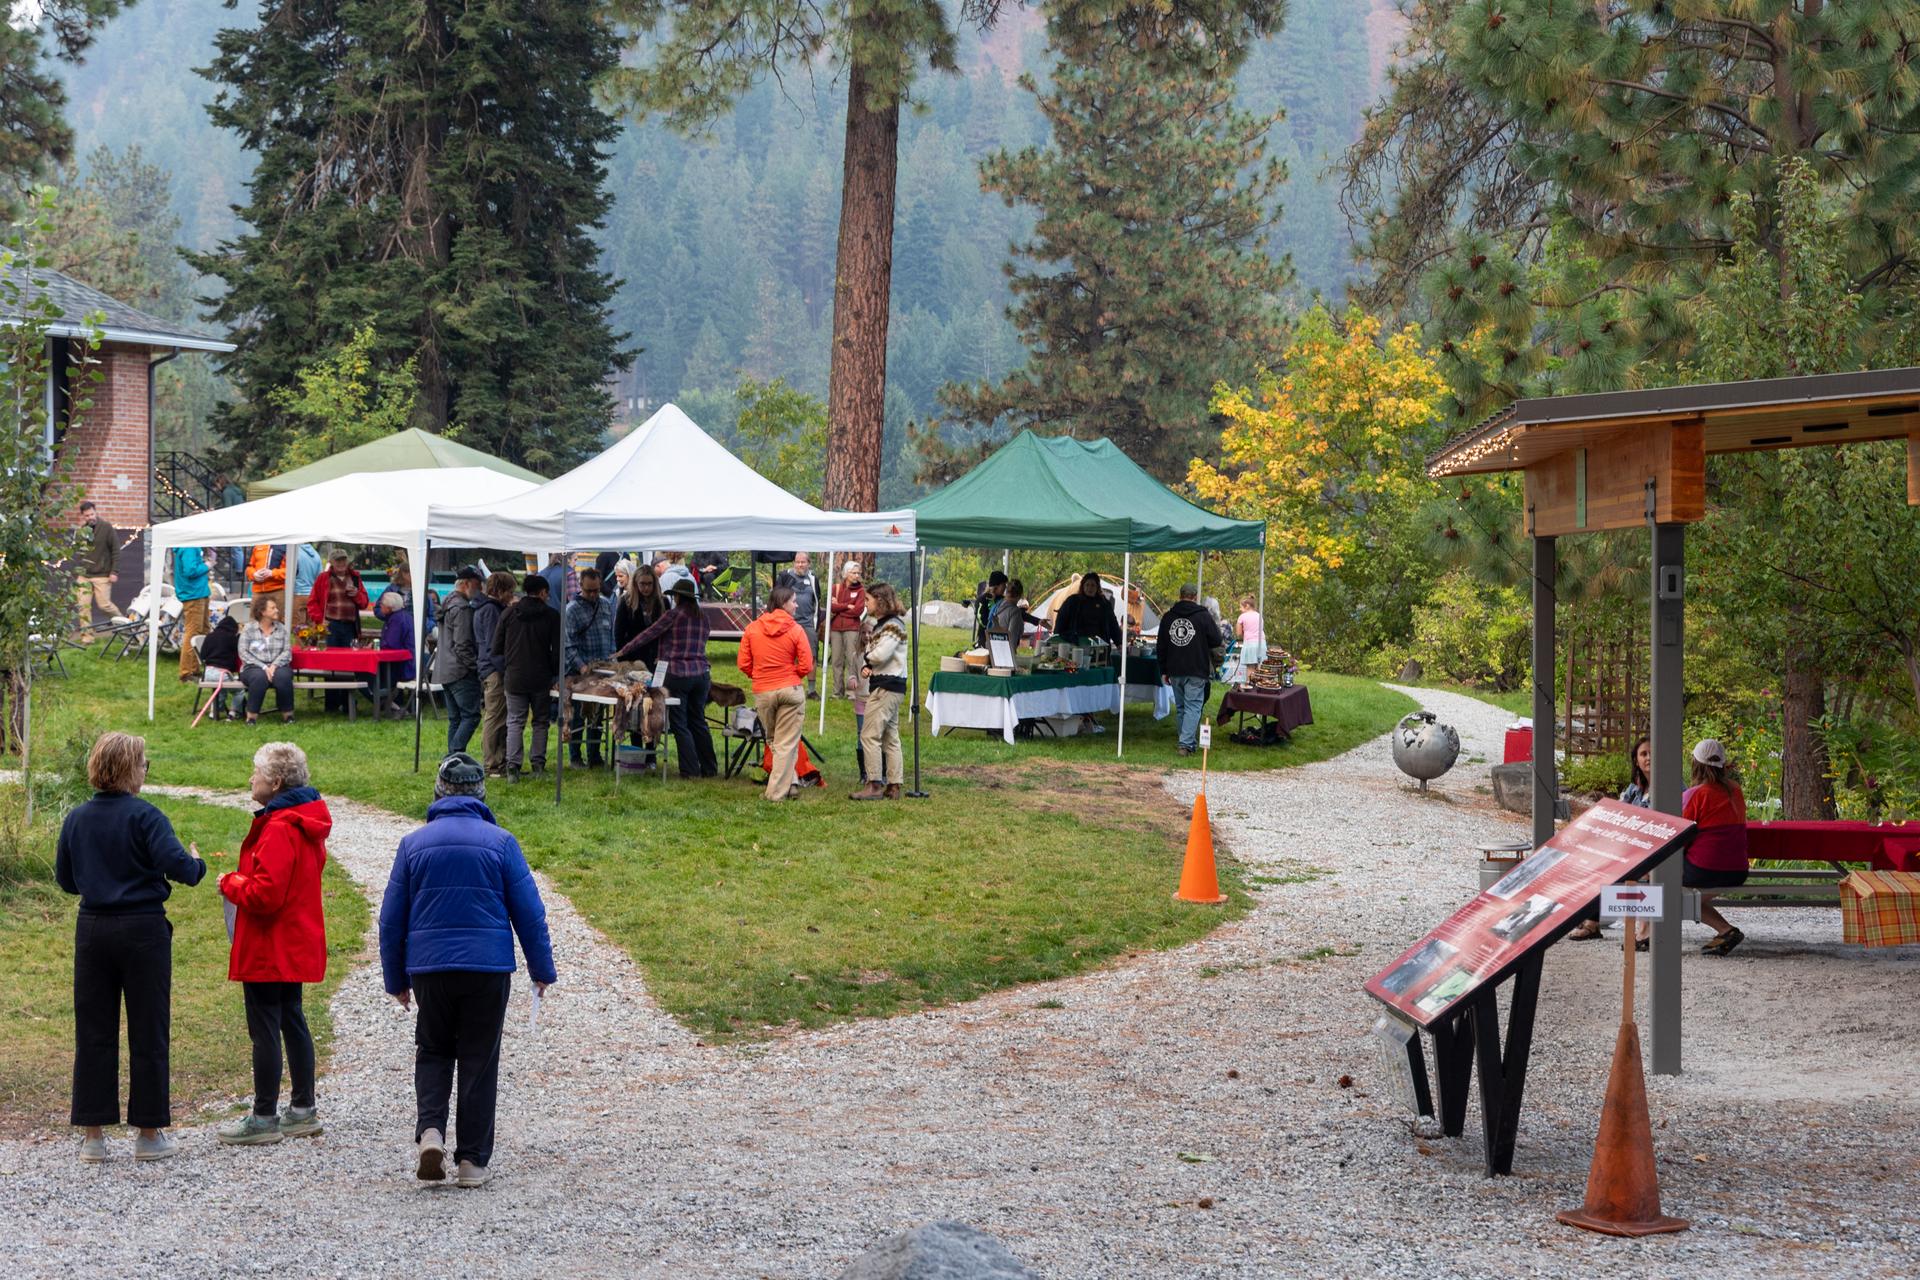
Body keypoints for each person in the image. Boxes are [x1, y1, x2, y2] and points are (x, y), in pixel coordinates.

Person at [378, 753, 556, 1187]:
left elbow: (390, 918)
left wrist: (396, 979)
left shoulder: (413, 844)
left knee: (434, 1048)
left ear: (439, 792)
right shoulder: (501, 842)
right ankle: (472, 1162)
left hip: (430, 967)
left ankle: (431, 1131)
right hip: (487, 967)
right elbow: (529, 913)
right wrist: (541, 968)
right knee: (479, 1056)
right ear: (481, 793)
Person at [57, 731, 207, 1163]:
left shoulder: (77, 818)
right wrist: (197, 861)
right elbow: (181, 868)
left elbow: (66, 881)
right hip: (143, 929)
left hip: (93, 930)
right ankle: (147, 1132)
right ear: (129, 769)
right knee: (148, 1029)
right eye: (143, 764)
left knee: (93, 1030)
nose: (145, 770)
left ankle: (93, 1136)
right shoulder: (147, 816)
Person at [216, 742, 331, 1146]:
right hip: (294, 940)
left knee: (265, 1027)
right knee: (291, 1019)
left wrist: (230, 882)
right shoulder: (303, 821)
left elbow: (266, 895)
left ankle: (264, 1116)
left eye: (257, 772)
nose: (251, 778)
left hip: (270, 945)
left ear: (276, 782)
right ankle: (302, 1109)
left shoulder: (280, 828)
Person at [614, 577, 719, 778]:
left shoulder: (673, 615)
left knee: (680, 723)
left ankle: (690, 770)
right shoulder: (703, 617)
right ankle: (710, 768)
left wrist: (622, 651)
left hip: (677, 674)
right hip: (701, 674)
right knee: (698, 720)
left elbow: (648, 635)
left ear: (677, 597)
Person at [1571, 735, 1653, 942]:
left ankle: (1595, 923)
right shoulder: (1635, 789)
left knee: (1609, 868)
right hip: (1630, 850)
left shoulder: (1673, 788)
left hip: (1652, 853)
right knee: (1591, 860)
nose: (1649, 758)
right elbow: (1617, 812)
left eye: (1653, 753)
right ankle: (1591, 921)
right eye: (1644, 754)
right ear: (1636, 760)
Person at [737, 583, 813, 800]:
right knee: (785, 743)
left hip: (764, 691)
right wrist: (793, 674)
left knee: (775, 741)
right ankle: (775, 794)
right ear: (783, 603)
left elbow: (743, 663)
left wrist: (758, 675)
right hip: (790, 689)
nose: (797, 605)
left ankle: (791, 783)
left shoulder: (753, 628)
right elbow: (807, 664)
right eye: (794, 601)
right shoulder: (796, 629)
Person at [1680, 738, 1749, 956]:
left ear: (1695, 763)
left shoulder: (1694, 795)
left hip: (1704, 871)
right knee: (1682, 897)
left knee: (1661, 878)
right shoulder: (1736, 790)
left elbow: (1680, 834)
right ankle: (1726, 930)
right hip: (1738, 871)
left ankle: (1647, 934)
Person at [495, 574, 559, 780]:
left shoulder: (508, 613)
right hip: (541, 676)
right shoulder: (552, 615)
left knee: (515, 721)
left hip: (514, 676)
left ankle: (512, 766)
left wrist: (507, 667)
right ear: (542, 593)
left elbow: (496, 648)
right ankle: (538, 764)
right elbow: (557, 651)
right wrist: (554, 673)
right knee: (540, 721)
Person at [850, 583, 907, 801]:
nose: (866, 604)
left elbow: (881, 653)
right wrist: (870, 665)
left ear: (880, 601)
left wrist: (867, 658)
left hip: (886, 687)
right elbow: (881, 656)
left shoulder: (891, 626)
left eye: (868, 600)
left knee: (869, 734)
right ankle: (893, 785)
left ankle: (874, 784)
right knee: (890, 736)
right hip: (889, 684)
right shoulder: (883, 625)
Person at [1156, 582, 1223, 756]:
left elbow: (1161, 646)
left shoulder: (1168, 617)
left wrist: (1163, 670)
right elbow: (1216, 640)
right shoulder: (1203, 616)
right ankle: (1185, 744)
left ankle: (1186, 741)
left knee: (1181, 707)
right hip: (1196, 667)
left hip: (1174, 668)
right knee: (1193, 706)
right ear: (1194, 597)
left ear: (1180, 596)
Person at [563, 567, 617, 768]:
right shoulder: (572, 610)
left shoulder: (605, 604)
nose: (593, 595)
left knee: (597, 715)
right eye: (589, 591)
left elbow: (611, 635)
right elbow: (567, 644)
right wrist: (582, 666)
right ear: (581, 586)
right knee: (578, 715)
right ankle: (575, 756)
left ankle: (595, 755)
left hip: (602, 669)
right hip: (579, 672)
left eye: (596, 590)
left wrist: (612, 658)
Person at [308, 552, 370, 715]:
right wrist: (319, 620)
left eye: (343, 560)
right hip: (331, 626)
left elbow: (364, 603)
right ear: (331, 562)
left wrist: (356, 594)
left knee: (349, 664)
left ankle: (347, 702)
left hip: (350, 626)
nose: (341, 563)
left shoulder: (355, 578)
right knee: (331, 665)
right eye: (338, 561)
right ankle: (331, 704)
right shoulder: (323, 578)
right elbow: (312, 602)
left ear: (347, 561)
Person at [434, 566, 485, 756]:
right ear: (465, 584)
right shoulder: (462, 608)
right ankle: (453, 755)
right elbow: (462, 644)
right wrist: (476, 666)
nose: (480, 588)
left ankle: (451, 761)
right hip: (460, 670)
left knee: (456, 719)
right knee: (470, 716)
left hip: (445, 669)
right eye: (477, 584)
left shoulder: (447, 602)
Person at [474, 572, 515, 777]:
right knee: (495, 717)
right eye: (509, 592)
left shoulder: (489, 608)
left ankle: (498, 761)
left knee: (499, 716)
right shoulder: (491, 611)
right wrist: (505, 670)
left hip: (491, 668)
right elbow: (494, 646)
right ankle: (491, 763)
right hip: (494, 670)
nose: (511, 596)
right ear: (499, 591)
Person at [239, 596, 296, 726]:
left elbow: (287, 651)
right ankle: (251, 717)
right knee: (259, 678)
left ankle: (288, 716)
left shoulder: (281, 628)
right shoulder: (248, 629)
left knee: (283, 677)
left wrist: (274, 665)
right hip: (253, 667)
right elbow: (243, 652)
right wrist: (264, 667)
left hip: (278, 665)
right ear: (262, 612)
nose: (277, 610)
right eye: (273, 608)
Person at [71, 500, 118, 640]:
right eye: (86, 516)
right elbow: (78, 552)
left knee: (104, 605)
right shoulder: (81, 531)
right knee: (82, 606)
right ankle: (87, 637)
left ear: (95, 512)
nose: (90, 517)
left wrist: (114, 571)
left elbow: (116, 550)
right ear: (83, 516)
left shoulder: (106, 527)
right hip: (84, 575)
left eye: (92, 514)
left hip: (102, 574)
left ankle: (124, 623)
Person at [827, 559, 867, 699]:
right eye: (853, 573)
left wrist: (840, 606)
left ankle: (852, 692)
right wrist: (846, 606)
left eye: (858, 573)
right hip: (836, 628)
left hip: (852, 628)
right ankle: (837, 692)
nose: (857, 575)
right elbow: (831, 607)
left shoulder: (861, 591)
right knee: (837, 660)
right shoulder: (836, 588)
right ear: (846, 573)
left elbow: (857, 611)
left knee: (852, 659)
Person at [614, 562, 665, 671]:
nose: (646, 588)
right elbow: (618, 634)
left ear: (654, 583)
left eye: (649, 584)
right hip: (632, 659)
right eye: (642, 584)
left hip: (657, 658)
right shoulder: (626, 602)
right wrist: (623, 660)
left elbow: (668, 632)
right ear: (636, 583)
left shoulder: (663, 602)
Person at [376, 591, 418, 721]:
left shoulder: (396, 620)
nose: (380, 606)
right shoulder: (404, 616)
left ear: (389, 608)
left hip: (403, 665)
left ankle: (389, 704)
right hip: (411, 661)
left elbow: (391, 644)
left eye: (382, 604)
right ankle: (390, 703)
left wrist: (376, 646)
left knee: (370, 673)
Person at [776, 551, 821, 670]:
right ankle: (792, 683)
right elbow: (776, 598)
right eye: (797, 562)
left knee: (812, 655)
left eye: (803, 562)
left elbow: (817, 600)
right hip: (788, 624)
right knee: (789, 655)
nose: (800, 564)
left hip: (808, 623)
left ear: (809, 563)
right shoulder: (785, 577)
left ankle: (811, 688)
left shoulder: (813, 579)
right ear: (794, 563)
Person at [173, 544, 211, 682]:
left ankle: (194, 669)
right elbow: (190, 571)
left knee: (202, 631)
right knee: (193, 633)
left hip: (199, 592)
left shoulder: (190, 546)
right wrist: (207, 566)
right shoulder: (189, 547)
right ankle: (186, 672)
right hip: (193, 594)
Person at [1054, 572, 1121, 645]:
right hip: (1076, 643)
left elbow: (1113, 624)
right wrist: (1057, 638)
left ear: (1097, 587)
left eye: (1093, 585)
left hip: (1100, 645)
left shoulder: (1104, 604)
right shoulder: (1072, 601)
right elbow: (1061, 619)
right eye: (1087, 585)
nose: (1090, 588)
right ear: (1083, 586)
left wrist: (1119, 642)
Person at [200, 608, 243, 720]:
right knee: (239, 691)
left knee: (220, 689)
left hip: (207, 673)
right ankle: (234, 713)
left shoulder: (209, 636)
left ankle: (214, 712)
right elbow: (236, 658)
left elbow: (202, 655)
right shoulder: (233, 639)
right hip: (222, 673)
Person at [990, 578, 1044, 653]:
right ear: (1020, 595)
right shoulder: (1015, 612)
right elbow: (1012, 639)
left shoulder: (998, 605)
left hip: (992, 650)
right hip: (1005, 654)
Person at [973, 571, 1007, 649]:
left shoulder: (1004, 601)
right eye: (1003, 584)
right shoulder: (982, 600)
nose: (1005, 587)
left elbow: (1017, 612)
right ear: (996, 585)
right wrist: (995, 628)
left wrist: (1037, 621)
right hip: (985, 640)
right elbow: (982, 620)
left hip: (1000, 640)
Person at [1235, 594, 1267, 671]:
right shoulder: (1259, 615)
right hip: (1261, 644)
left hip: (1250, 645)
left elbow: (1238, 633)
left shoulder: (1242, 616)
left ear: (1247, 606)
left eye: (1241, 607)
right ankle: (1262, 683)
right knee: (1260, 669)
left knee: (1250, 669)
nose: (1240, 609)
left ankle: (1249, 683)